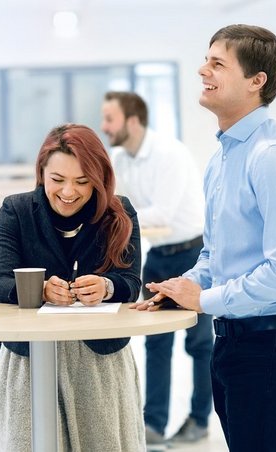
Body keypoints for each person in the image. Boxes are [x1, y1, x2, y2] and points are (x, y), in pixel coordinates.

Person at [134, 24, 276, 452]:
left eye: (218, 63)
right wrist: (184, 287)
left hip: (274, 342)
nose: (204, 70)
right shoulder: (223, 157)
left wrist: (203, 301)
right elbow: (215, 254)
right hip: (236, 338)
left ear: (258, 82)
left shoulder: (271, 158)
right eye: (207, 59)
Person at [0, 123, 144, 451]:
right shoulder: (15, 211)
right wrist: (38, 290)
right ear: (41, 172)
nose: (68, 192)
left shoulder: (119, 212)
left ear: (99, 179)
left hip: (99, 361)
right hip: (29, 359)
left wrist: (106, 286)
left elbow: (130, 283)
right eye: (57, 180)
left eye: (82, 182)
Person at [101, 91, 213, 449]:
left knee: (199, 344)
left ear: (132, 121)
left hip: (194, 255)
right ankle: (153, 426)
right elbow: (115, 207)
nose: (105, 127)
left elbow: (158, 213)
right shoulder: (120, 158)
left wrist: (119, 217)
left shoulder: (169, 154)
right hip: (159, 257)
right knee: (156, 343)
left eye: (110, 119)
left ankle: (199, 420)